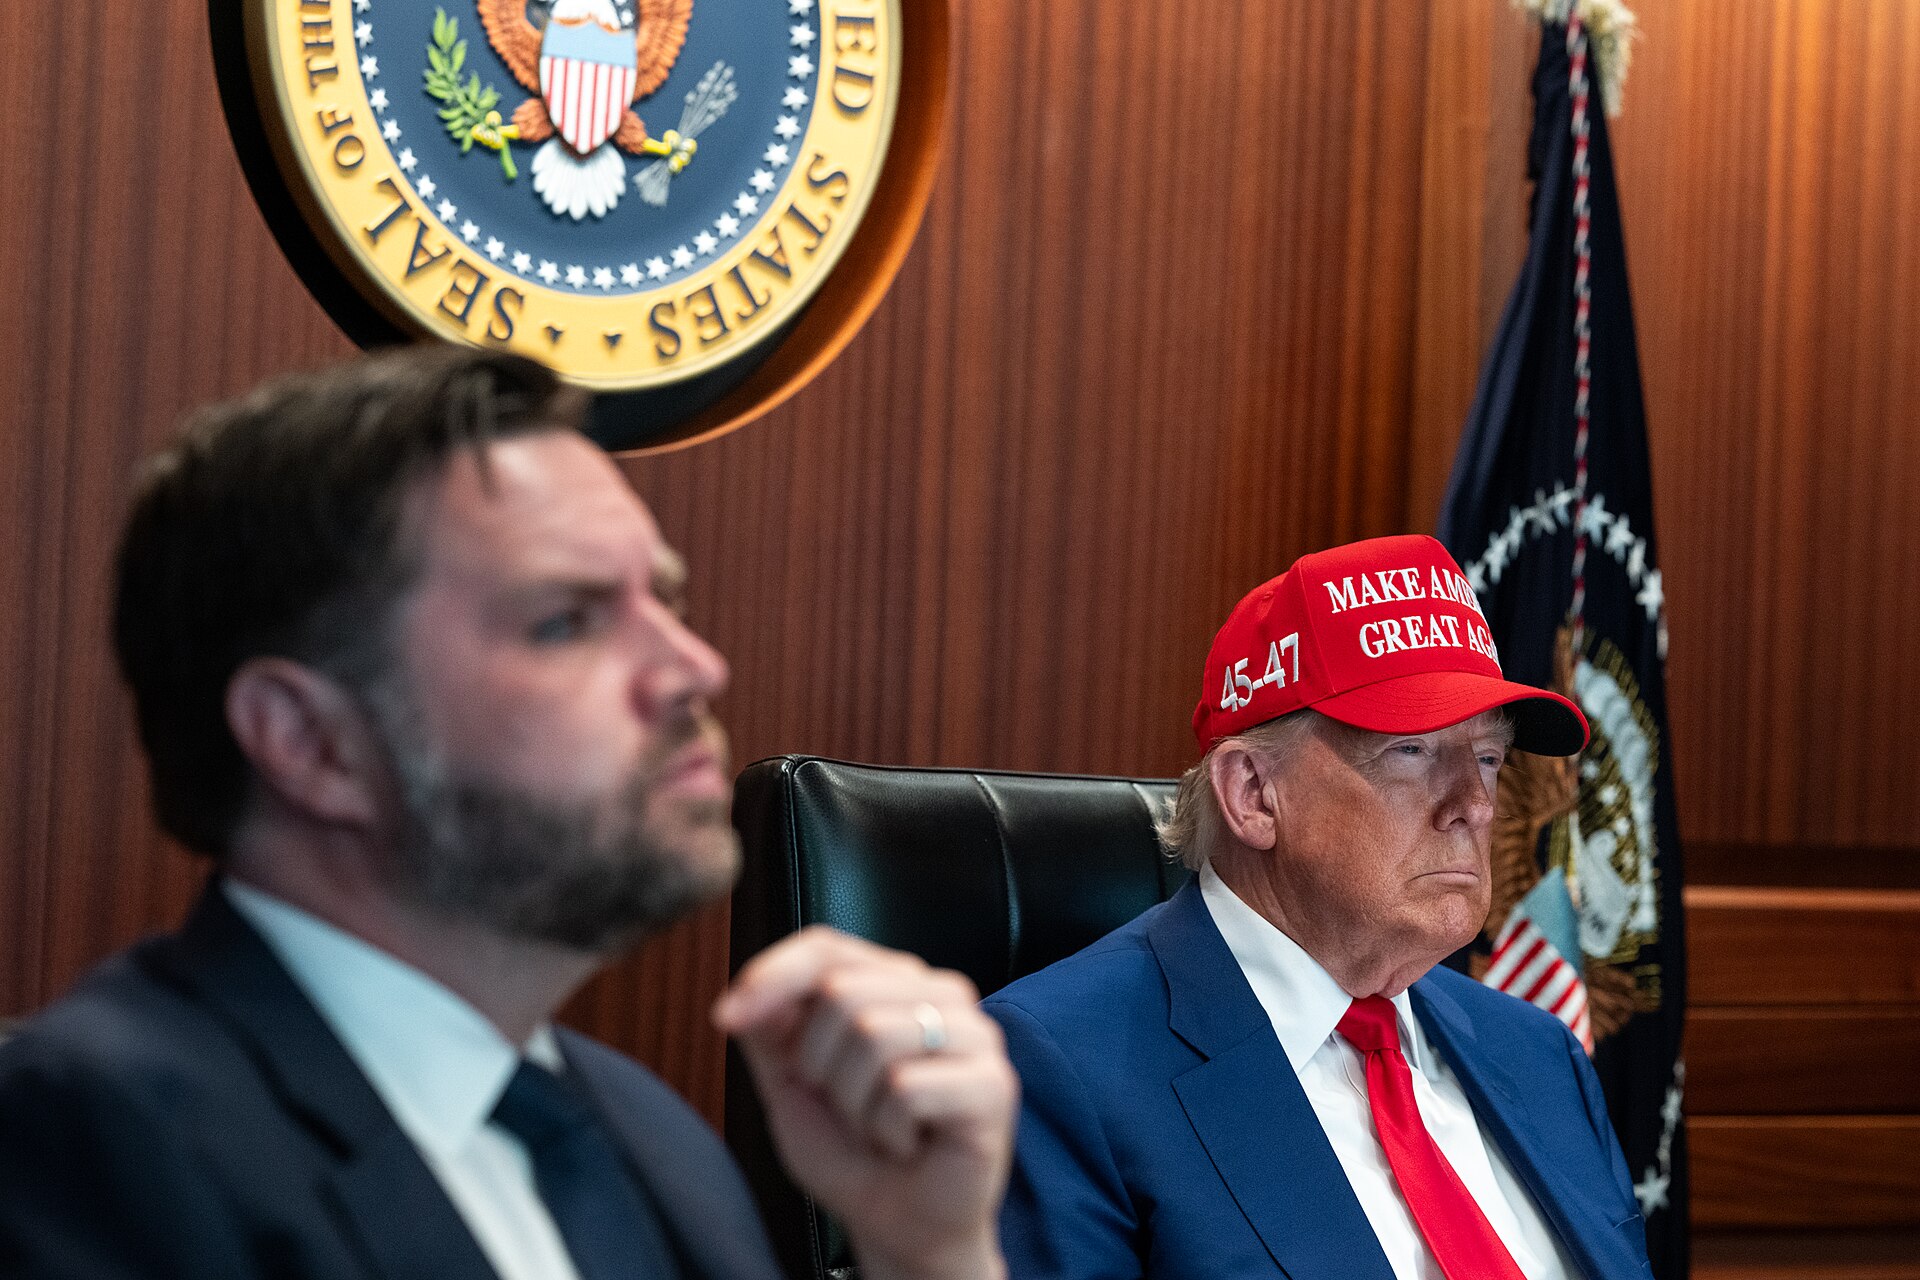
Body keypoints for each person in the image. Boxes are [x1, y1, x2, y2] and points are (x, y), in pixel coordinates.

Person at [0, 347, 1015, 1280]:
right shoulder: (88, 1137)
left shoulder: (649, 1137)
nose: (694, 669)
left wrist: (927, 1250)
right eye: (566, 620)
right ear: (313, 743)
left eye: (667, 602)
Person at [983, 534, 1654, 1280]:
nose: (1476, 805)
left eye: (1489, 758)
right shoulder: (1057, 1070)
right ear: (1253, 795)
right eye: (1413, 751)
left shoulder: (1538, 1054)